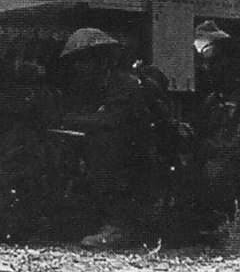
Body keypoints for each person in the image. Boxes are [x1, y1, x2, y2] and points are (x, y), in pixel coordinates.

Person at [56, 28, 180, 248]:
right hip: (128, 153)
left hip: (136, 156)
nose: (78, 68)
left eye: (83, 62)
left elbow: (111, 120)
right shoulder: (98, 85)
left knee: (103, 150)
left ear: (100, 61)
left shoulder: (125, 85)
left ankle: (117, 227)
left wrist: (70, 120)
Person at [192, 21, 240, 221]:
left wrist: (209, 148)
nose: (207, 69)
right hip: (215, 161)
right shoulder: (214, 99)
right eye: (203, 63)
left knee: (215, 171)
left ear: (232, 60)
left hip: (235, 168)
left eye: (214, 62)